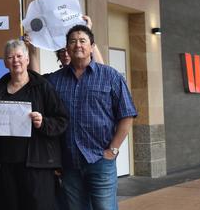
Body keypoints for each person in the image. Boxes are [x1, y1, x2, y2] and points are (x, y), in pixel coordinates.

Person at [47, 25, 137, 210]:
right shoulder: (55, 80)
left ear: (91, 46)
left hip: (100, 160)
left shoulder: (110, 76)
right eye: (72, 41)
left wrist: (112, 150)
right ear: (67, 47)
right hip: (69, 163)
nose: (77, 45)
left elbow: (127, 115)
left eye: (82, 41)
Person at [0, 39, 69, 210]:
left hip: (37, 165)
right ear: (5, 62)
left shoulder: (43, 87)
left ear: (27, 59)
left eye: (19, 56)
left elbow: (62, 120)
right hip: (4, 165)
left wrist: (43, 122)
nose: (15, 60)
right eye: (11, 57)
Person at [27, 15, 104, 73]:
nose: (66, 54)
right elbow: (36, 80)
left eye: (68, 50)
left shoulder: (91, 73)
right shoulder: (56, 79)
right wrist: (31, 47)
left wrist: (87, 30)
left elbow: (102, 69)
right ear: (58, 55)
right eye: (62, 51)